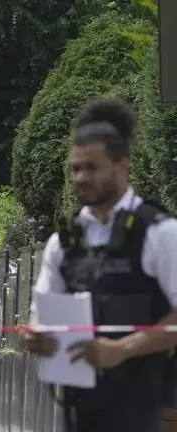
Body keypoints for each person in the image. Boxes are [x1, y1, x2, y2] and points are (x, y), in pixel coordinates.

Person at [21, 98, 177, 432]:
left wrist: (121, 350)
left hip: (137, 409)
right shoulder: (63, 239)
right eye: (75, 169)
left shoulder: (160, 232)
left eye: (92, 167)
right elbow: (44, 308)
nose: (80, 177)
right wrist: (38, 334)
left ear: (122, 166)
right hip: (75, 409)